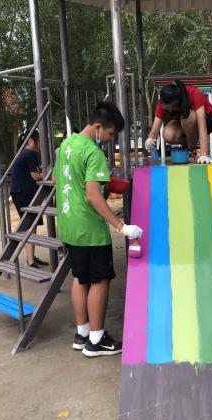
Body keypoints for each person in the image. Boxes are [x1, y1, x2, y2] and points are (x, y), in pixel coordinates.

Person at [54, 101, 143, 358]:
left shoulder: (66, 145)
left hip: (69, 224)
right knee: (100, 280)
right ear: (98, 127)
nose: (110, 139)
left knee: (80, 278)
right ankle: (97, 339)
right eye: (111, 133)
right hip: (90, 229)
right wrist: (121, 226)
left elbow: (58, 180)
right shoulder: (94, 153)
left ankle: (81, 333)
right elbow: (93, 194)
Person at [144, 79, 212, 164]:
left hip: (209, 120)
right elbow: (154, 131)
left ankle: (190, 149)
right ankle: (189, 145)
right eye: (167, 109)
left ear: (178, 102)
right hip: (185, 123)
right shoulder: (162, 103)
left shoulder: (194, 93)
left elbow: (202, 127)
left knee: (187, 117)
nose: (170, 111)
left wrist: (204, 154)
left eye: (171, 107)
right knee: (168, 134)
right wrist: (149, 140)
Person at [10, 129, 48, 268]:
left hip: (21, 193)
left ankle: (31, 257)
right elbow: (36, 176)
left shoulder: (22, 153)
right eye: (38, 141)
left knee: (30, 226)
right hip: (24, 193)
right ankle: (30, 261)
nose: (40, 144)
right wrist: (51, 174)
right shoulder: (29, 153)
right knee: (29, 227)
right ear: (30, 141)